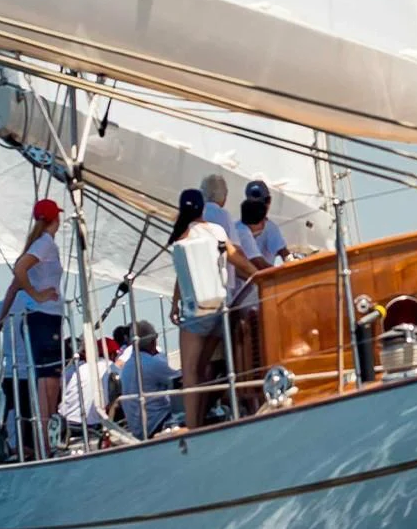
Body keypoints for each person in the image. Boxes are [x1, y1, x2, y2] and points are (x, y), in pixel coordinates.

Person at [0, 197, 69, 448]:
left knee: (43, 383)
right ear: (55, 220)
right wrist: (38, 295)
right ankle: (45, 443)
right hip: (46, 317)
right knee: (49, 379)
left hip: (33, 334)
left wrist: (1, 318)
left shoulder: (37, 245)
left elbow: (14, 286)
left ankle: (38, 442)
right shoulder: (46, 244)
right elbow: (19, 270)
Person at [168, 184, 239, 423]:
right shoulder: (217, 231)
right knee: (205, 367)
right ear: (202, 208)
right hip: (220, 308)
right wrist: (257, 276)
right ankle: (203, 416)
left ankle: (192, 425)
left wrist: (174, 304)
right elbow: (235, 256)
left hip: (197, 315)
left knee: (190, 372)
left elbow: (182, 275)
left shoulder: (181, 236)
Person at [224, 180, 291, 418]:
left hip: (253, 295)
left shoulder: (248, 228)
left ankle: (257, 397)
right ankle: (259, 397)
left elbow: (283, 253)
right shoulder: (244, 230)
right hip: (256, 295)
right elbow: (257, 264)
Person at [113, 321, 182, 439]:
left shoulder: (128, 365)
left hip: (139, 428)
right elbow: (181, 380)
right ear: (153, 341)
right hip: (156, 424)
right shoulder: (152, 363)